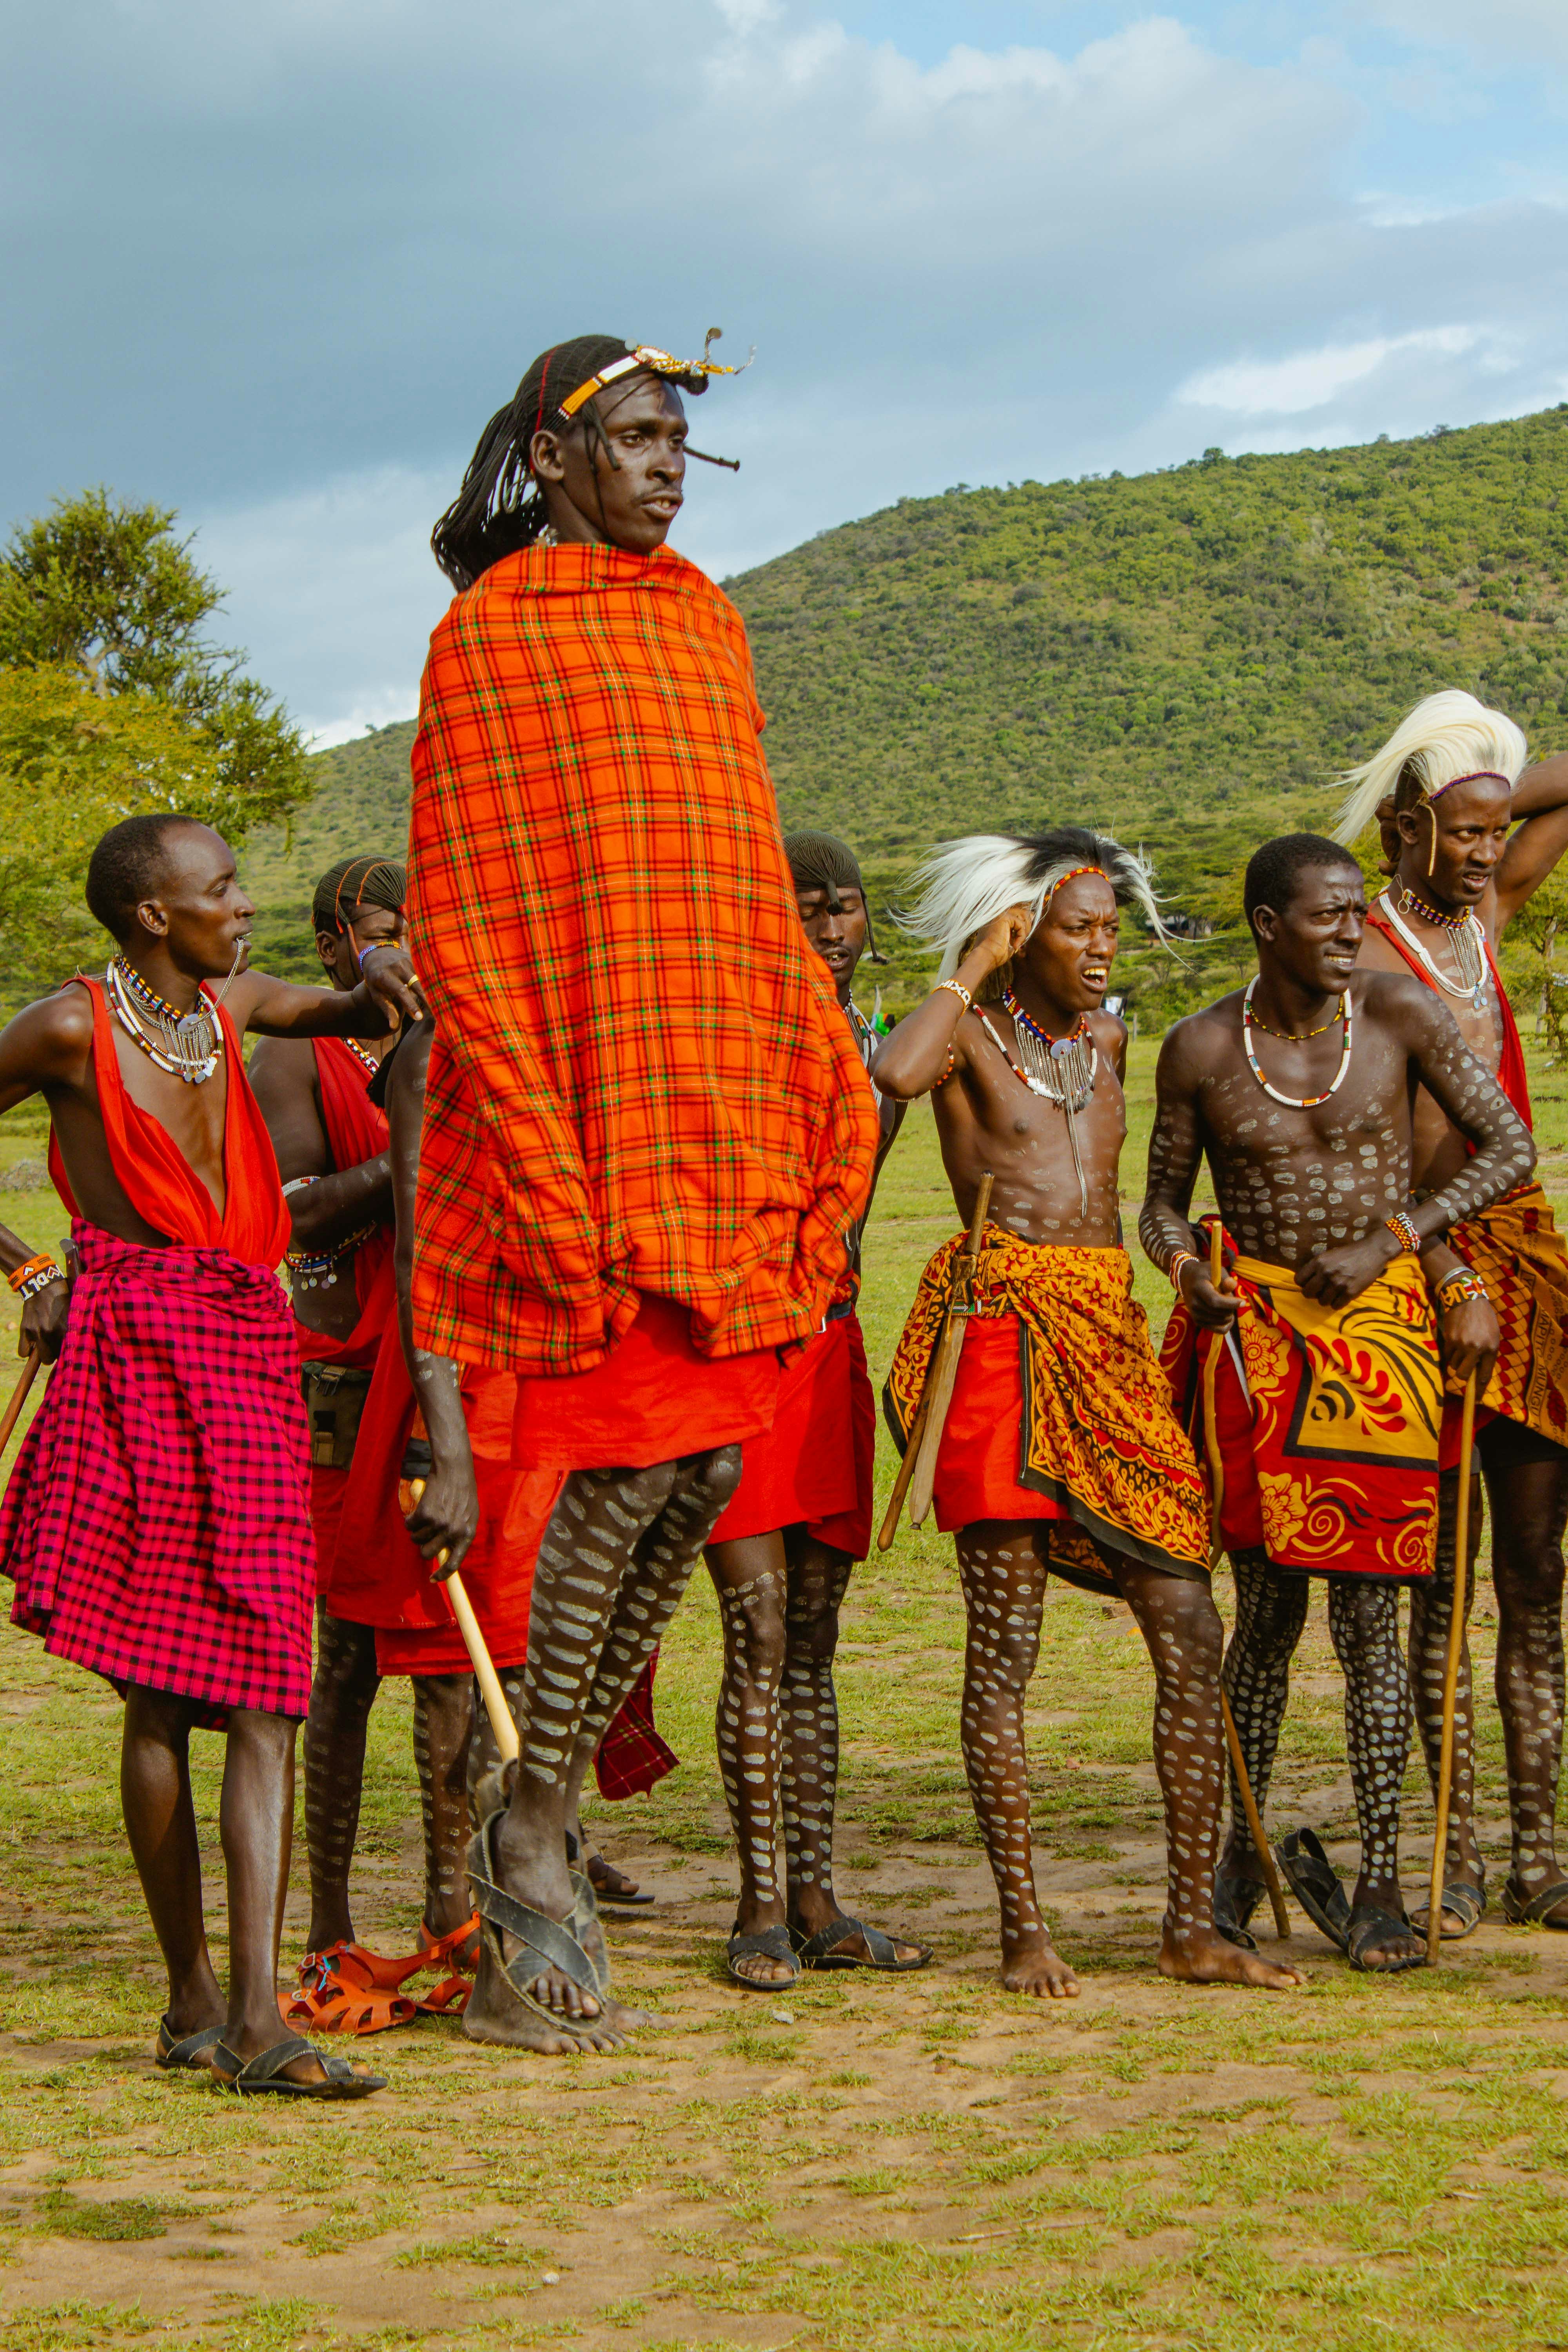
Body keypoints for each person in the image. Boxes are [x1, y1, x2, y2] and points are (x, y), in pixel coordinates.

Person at [407, 334, 878, 2052]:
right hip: (580, 1122)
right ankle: (528, 1827)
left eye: (684, 440)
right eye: (636, 436)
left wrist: (810, 1055)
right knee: (622, 1485)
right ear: (554, 450)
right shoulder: (492, 635)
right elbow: (469, 911)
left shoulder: (702, 618)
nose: (669, 464)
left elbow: (746, 865)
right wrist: (538, 1141)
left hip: (725, 1111)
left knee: (696, 1484)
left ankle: (537, 1814)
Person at [0, 813, 417, 2093]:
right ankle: (201, 2003)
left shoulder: (233, 1002)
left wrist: (386, 987)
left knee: (262, 1683)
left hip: (245, 1341)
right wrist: (26, 1267)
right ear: (150, 917)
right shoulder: (67, 1026)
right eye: (221, 891)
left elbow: (334, 1008)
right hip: (134, 1348)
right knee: (160, 1688)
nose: (244, 907)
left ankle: (247, 2016)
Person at [871, 827, 1300, 1997]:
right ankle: (1023, 1931)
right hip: (1006, 1338)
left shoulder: (1112, 1041)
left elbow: (1144, 1199)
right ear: (1019, 933)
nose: (1104, 949)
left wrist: (1188, 1273)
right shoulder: (959, 1031)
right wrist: (967, 965)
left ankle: (1186, 1926)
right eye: (1078, 927)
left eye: (1112, 926)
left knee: (1187, 1614)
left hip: (1107, 1338)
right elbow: (894, 1076)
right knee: (1005, 1642)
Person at [1146, 832, 1533, 1975]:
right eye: (1327, 916)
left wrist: (1397, 1241)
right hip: (1258, 1345)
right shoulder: (1202, 1047)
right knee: (1261, 1617)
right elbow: (1161, 1208)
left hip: (1378, 1341)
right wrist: (1192, 1277)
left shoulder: (1404, 1015)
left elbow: (1506, 1145)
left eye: (1358, 912)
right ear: (1269, 923)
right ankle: (1239, 1858)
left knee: (1371, 1621)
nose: (1352, 929)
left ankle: (1377, 1882)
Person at [1334, 693, 1568, 1935]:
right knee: (1440, 1574)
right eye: (1460, 833)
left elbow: (1554, 798)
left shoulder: (1485, 918)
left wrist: (1489, 776)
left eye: (1495, 833)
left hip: (1521, 1258)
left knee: (1536, 1569)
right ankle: (1455, 1851)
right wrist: (1448, 1278)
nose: (1487, 853)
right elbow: (1369, 1155)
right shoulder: (1363, 954)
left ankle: (1541, 1854)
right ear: (1408, 828)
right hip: (1419, 1267)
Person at [248, 857, 488, 2032]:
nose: (404, 949)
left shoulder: (450, 1037)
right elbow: (281, 1211)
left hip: (449, 1352)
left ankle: (454, 1908)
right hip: (335, 1370)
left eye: (419, 928)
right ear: (338, 946)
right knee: (344, 1655)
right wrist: (399, 1171)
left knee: (450, 1645)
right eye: (386, 933)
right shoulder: (296, 1051)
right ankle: (328, 1924)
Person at [703, 829, 925, 1988]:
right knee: (758, 1635)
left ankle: (817, 1895)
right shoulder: (726, 1040)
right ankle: (753, 1907)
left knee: (815, 1648)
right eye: (809, 908)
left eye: (846, 908)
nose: (832, 928)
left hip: (830, 1349)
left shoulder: (869, 1049)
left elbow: (861, 1185)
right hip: (744, 1360)